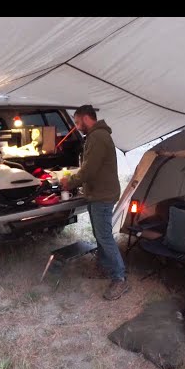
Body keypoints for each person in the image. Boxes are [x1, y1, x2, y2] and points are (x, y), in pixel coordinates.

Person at [60, 104, 129, 301]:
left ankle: (120, 278)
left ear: (85, 118)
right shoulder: (95, 136)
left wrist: (70, 182)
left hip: (103, 196)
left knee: (105, 236)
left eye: (76, 121)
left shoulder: (98, 137)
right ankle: (106, 268)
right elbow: (91, 168)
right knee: (100, 235)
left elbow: (89, 170)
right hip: (98, 193)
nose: (76, 126)